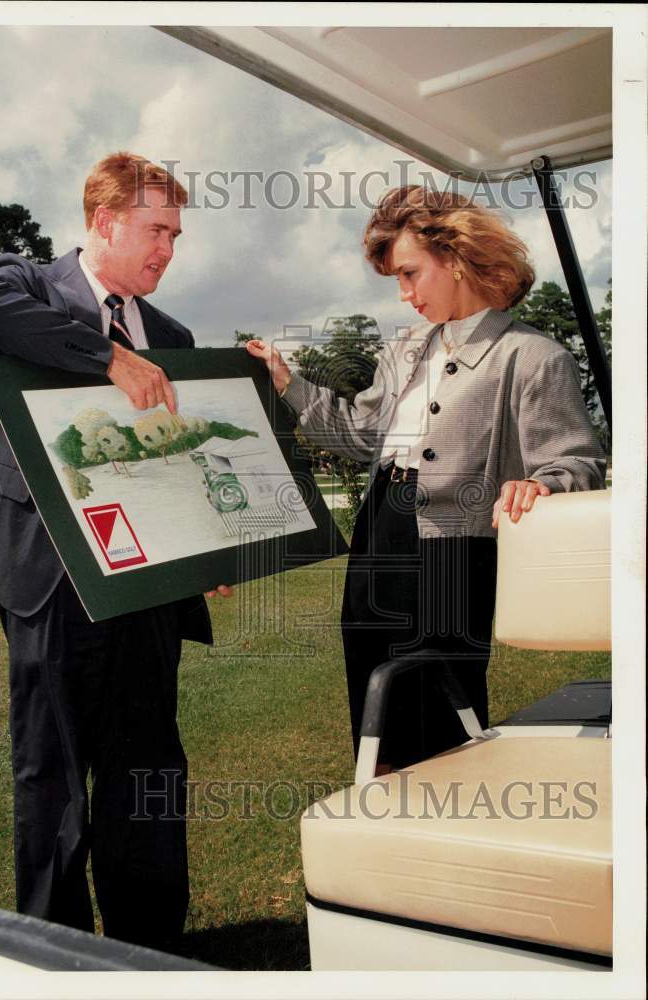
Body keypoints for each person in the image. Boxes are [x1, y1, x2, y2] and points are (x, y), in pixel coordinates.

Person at [0, 152, 230, 950]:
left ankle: (148, 950)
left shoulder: (174, 336)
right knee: (50, 776)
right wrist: (108, 355)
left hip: (144, 589)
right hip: (45, 580)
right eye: (156, 231)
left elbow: (176, 457)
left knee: (146, 772)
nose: (168, 251)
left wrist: (205, 547)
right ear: (106, 221)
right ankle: (52, 952)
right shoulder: (25, 286)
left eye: (176, 236)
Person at [247, 185, 606, 770]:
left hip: (453, 545)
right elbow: (360, 434)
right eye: (396, 280)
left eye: (411, 273)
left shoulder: (532, 356)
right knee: (372, 686)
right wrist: (289, 382)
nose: (405, 293)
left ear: (458, 259)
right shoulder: (404, 349)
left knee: (441, 695)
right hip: (379, 530)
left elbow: (576, 461)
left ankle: (457, 821)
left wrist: (542, 484)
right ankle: (384, 817)